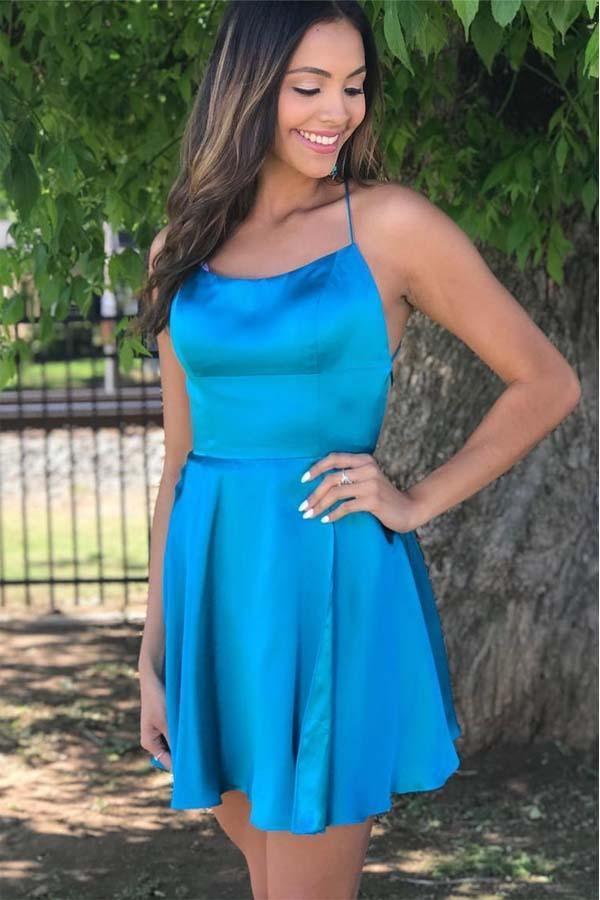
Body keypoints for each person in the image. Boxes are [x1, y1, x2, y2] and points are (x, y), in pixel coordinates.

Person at [135, 2, 581, 898]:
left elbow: (546, 382)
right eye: (309, 87)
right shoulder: (180, 246)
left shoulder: (389, 225)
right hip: (219, 598)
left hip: (327, 583)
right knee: (269, 877)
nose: (337, 111)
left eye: (354, 86)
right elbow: (181, 461)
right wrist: (153, 657)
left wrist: (414, 501)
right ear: (247, 86)